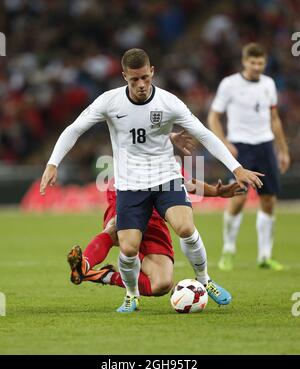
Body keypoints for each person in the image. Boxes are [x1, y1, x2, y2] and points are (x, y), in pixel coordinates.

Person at [40, 48, 263, 313]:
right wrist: (53, 163)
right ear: (124, 77)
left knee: (185, 227)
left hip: (166, 179)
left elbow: (204, 135)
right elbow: (74, 128)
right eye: (134, 80)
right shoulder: (110, 102)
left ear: (152, 72)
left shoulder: (169, 103)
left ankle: (205, 280)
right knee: (129, 247)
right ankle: (131, 295)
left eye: (145, 77)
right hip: (130, 186)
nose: (141, 84)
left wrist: (236, 168)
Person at [67, 175, 243, 303]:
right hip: (129, 194)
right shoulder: (130, 137)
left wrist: (215, 191)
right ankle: (83, 264)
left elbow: (184, 182)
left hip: (155, 219)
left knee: (162, 284)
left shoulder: (165, 151)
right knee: (116, 228)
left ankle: (103, 275)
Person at [208, 43, 290, 271]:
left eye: (260, 63)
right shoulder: (230, 84)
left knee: (269, 200)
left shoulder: (268, 84)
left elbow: (274, 119)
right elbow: (213, 117)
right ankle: (228, 250)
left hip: (265, 146)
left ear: (264, 63)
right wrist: (225, 143)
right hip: (241, 147)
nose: (256, 67)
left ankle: (264, 255)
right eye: (252, 62)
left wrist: (282, 150)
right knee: (239, 198)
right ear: (244, 62)